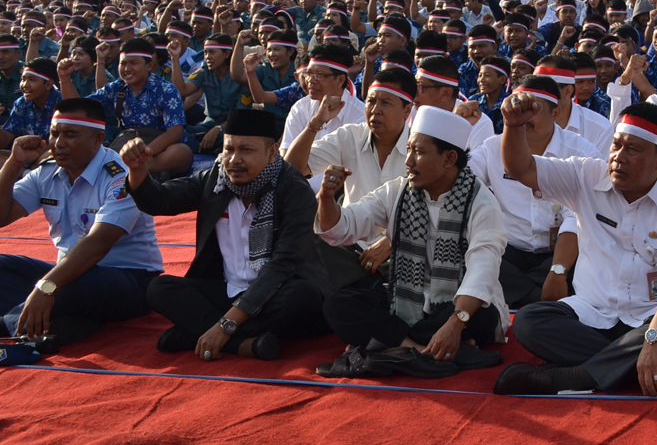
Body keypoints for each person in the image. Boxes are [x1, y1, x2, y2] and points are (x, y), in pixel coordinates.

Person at [493, 99, 657, 397]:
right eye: (616, 145)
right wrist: (514, 127)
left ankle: (574, 377)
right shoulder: (586, 175)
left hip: (656, 315)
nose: (618, 157)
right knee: (529, 322)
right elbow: (522, 168)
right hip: (594, 313)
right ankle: (643, 367)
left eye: (632, 149)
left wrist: (656, 336)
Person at [316, 105, 507, 375]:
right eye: (408, 150)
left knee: (475, 315)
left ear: (449, 158)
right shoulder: (398, 191)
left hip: (459, 305)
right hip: (406, 300)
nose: (408, 162)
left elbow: (483, 268)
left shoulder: (481, 202)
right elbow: (343, 227)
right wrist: (326, 198)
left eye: (418, 152)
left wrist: (455, 323)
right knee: (338, 304)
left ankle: (392, 343)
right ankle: (418, 351)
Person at [125, 107, 327, 360]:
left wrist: (224, 326)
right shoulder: (217, 178)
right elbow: (160, 201)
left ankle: (199, 333)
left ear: (272, 152)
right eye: (229, 149)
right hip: (226, 289)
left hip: (276, 290)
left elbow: (282, 265)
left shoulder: (294, 189)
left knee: (302, 297)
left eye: (246, 150)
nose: (234, 160)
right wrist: (137, 168)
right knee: (159, 288)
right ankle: (242, 344)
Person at [0, 99, 163, 345]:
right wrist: (14, 164)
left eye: (70, 135)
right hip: (69, 274)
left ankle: (12, 325)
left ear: (97, 139)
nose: (58, 143)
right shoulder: (47, 171)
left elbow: (99, 242)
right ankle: (59, 325)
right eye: (54, 133)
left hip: (128, 281)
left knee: (73, 284)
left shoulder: (121, 176)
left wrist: (46, 286)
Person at [285, 66, 418, 290]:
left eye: (386, 103)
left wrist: (390, 241)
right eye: (371, 102)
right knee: (306, 241)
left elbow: (430, 208)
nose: (375, 110)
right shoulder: (350, 136)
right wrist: (316, 123)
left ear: (407, 111)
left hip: (400, 246)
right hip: (348, 242)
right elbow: (292, 168)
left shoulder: (419, 148)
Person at [467, 74, 594, 307]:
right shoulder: (492, 148)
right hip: (509, 251)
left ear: (555, 114)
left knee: (588, 261)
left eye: (531, 109)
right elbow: (460, 183)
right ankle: (538, 299)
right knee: (474, 255)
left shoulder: (581, 151)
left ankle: (527, 294)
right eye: (517, 107)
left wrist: (558, 270)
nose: (522, 116)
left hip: (560, 253)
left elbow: (576, 216)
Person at [61, 38, 193, 177]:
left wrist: (145, 152)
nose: (127, 69)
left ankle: (129, 171)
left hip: (159, 147)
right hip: (127, 141)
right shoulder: (116, 88)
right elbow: (77, 110)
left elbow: (175, 132)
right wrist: (64, 78)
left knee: (182, 152)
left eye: (133, 63)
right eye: (123, 63)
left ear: (149, 65)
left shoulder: (166, 89)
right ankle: (126, 171)